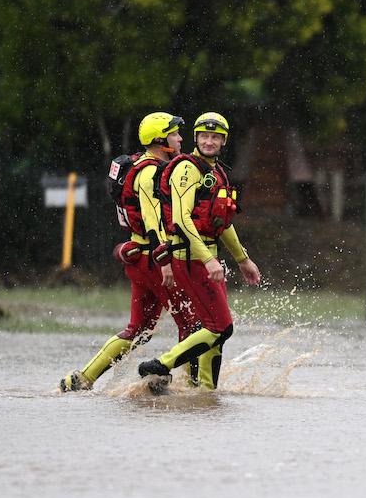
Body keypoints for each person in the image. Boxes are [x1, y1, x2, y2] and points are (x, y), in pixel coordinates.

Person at [60, 112, 198, 392]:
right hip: (154, 261)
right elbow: (152, 220)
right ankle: (196, 388)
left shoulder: (145, 165)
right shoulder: (151, 173)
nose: (180, 138)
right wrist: (165, 261)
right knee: (192, 327)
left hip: (140, 257)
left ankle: (82, 379)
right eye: (174, 133)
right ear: (161, 140)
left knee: (140, 330)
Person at [137, 112, 261, 390]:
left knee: (214, 329)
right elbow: (181, 221)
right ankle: (160, 365)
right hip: (190, 259)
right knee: (221, 328)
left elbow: (221, 223)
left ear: (223, 141)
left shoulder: (216, 172)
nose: (209, 141)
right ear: (195, 138)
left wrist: (243, 259)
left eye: (215, 137)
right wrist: (208, 260)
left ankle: (204, 390)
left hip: (206, 258)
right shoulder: (186, 169)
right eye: (204, 136)